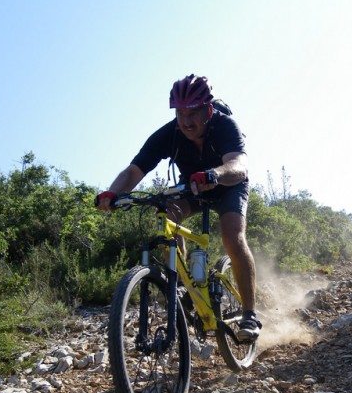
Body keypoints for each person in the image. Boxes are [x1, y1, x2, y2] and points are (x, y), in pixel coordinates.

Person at [96, 74, 261, 342]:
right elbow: (134, 170)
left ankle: (250, 314)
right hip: (194, 188)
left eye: (193, 112)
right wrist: (112, 193)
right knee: (166, 211)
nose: (185, 121)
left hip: (228, 183)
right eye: (180, 113)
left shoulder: (225, 126)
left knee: (232, 235)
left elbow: (239, 166)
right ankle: (183, 287)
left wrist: (215, 174)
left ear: (207, 109)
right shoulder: (168, 134)